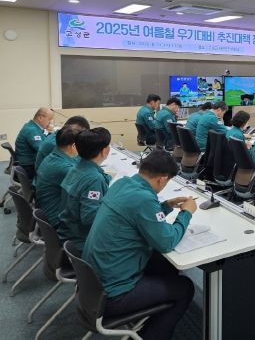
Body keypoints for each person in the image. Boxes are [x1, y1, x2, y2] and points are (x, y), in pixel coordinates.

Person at [82, 150, 196, 340]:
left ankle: (150, 320)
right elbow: (166, 242)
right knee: (185, 288)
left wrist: (166, 205)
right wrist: (186, 214)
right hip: (113, 295)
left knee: (164, 265)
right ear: (162, 179)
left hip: (93, 284)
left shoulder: (122, 184)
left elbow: (138, 217)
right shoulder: (144, 199)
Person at [58, 127, 112, 252]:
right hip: (82, 240)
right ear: (105, 150)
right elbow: (90, 218)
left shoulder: (77, 168)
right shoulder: (94, 179)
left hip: (67, 232)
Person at [34, 126, 83, 229]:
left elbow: (77, 163)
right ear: (74, 146)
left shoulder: (55, 155)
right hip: (57, 219)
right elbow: (86, 184)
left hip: (48, 210)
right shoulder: (63, 168)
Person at [15, 107, 55, 178]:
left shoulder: (32, 126)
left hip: (28, 162)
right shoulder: (32, 130)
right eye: (49, 119)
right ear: (40, 118)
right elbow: (43, 149)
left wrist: (50, 133)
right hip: (29, 166)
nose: (50, 123)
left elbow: (43, 140)